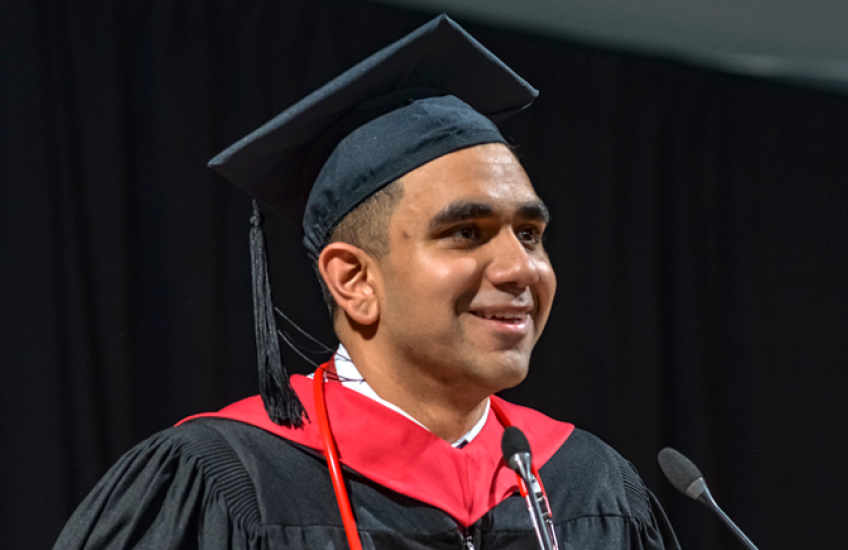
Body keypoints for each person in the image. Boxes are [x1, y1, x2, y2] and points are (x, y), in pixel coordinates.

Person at [53, 15, 680, 550]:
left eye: (529, 234)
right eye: (465, 233)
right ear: (353, 279)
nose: (520, 268)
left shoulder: (592, 486)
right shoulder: (224, 483)